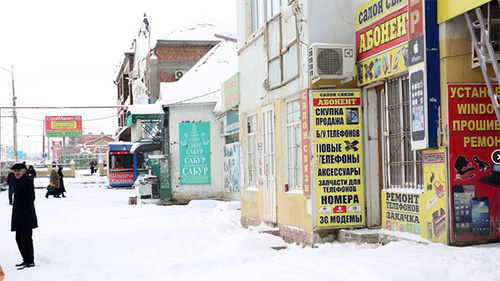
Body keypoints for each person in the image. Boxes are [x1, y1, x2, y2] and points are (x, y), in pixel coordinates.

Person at [10, 162, 37, 269]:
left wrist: (23, 211)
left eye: (18, 171)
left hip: (26, 216)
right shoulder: (18, 181)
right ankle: (25, 259)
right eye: (15, 171)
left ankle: (30, 261)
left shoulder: (27, 182)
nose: (17, 173)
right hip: (19, 216)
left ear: (24, 171)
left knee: (26, 239)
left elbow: (30, 199)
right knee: (18, 238)